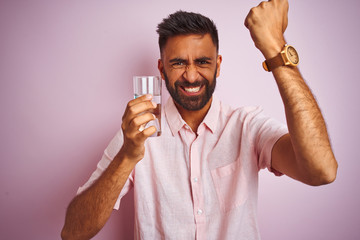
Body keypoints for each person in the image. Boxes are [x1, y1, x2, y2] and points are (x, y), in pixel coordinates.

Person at [61, 1, 338, 239]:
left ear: (218, 65)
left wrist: (276, 48)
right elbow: (72, 232)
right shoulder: (136, 134)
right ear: (161, 68)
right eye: (178, 63)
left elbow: (321, 171)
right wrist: (127, 156)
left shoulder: (247, 125)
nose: (191, 76)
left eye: (202, 62)